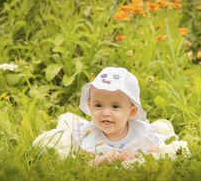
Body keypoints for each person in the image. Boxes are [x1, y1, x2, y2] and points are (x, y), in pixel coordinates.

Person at [33, 67, 189, 166]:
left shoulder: (142, 132)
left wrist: (139, 153)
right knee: (61, 134)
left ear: (132, 112)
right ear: (89, 106)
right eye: (98, 105)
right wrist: (102, 159)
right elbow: (84, 162)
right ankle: (68, 121)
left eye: (115, 107)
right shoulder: (88, 134)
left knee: (173, 145)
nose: (105, 113)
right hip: (92, 143)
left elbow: (157, 149)